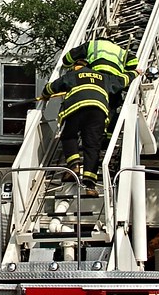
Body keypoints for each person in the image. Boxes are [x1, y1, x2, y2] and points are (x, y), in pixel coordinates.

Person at [41, 61, 130, 197]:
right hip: (98, 111)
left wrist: (45, 94)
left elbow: (51, 88)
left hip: (75, 108)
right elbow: (122, 80)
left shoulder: (73, 75)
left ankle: (74, 166)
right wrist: (136, 73)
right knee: (92, 146)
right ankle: (90, 186)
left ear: (75, 67)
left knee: (69, 136)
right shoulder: (103, 77)